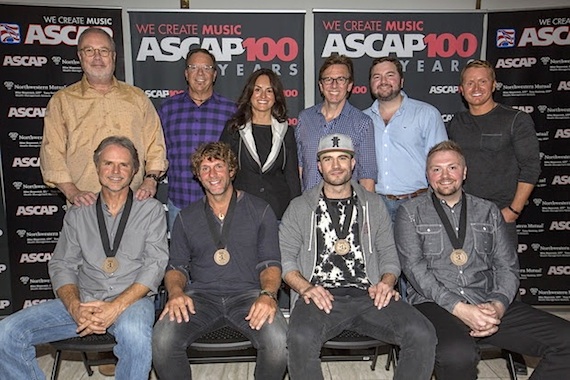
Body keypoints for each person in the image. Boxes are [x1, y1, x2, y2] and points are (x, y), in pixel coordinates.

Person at [394, 140, 570, 380]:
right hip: (435, 305)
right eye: (436, 169)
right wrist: (461, 309)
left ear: (464, 172)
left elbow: (507, 267)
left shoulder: (488, 211)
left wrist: (497, 305)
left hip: (486, 301)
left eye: (452, 167)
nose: (445, 175)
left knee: (566, 340)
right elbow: (414, 269)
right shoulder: (410, 212)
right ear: (428, 174)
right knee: (457, 355)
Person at [0, 136, 169, 380]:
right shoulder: (79, 212)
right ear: (97, 167)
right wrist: (75, 307)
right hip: (85, 301)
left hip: (132, 302)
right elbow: (62, 264)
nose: (115, 171)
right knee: (6, 332)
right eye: (108, 163)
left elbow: (155, 264)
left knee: (134, 333)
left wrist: (115, 307)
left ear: (134, 171)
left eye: (123, 165)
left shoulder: (150, 210)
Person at [280, 133, 436, 380]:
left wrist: (386, 282)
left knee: (422, 332)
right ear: (319, 166)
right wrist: (306, 288)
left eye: (343, 157)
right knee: (299, 338)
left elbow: (389, 254)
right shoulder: (300, 207)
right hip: (320, 295)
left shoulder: (373, 204)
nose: (336, 165)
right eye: (328, 159)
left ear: (353, 163)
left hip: (369, 293)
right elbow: (286, 260)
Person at [152, 142, 288, 380]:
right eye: (205, 168)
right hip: (201, 298)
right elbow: (177, 267)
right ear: (198, 175)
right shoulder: (186, 217)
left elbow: (271, 263)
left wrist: (267, 295)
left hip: (249, 296)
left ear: (232, 170)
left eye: (219, 166)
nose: (212, 174)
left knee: (279, 342)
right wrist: (175, 293)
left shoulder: (260, 210)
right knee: (162, 340)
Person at [40, 27, 167, 207]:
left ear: (113, 57)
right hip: (84, 204)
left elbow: (156, 144)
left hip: (134, 203)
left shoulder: (137, 98)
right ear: (80, 56)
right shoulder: (62, 101)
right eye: (89, 50)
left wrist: (151, 180)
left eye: (104, 51)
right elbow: (51, 152)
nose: (97, 57)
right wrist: (72, 192)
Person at [446, 59, 540, 248]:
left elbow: (531, 167)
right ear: (461, 89)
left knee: (503, 274)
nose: (476, 87)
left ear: (493, 84)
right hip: (462, 213)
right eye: (469, 83)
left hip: (500, 213)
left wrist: (514, 210)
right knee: (464, 273)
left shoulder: (515, 119)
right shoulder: (457, 122)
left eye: (482, 81)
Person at [159, 48, 236, 228]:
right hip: (180, 202)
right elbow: (156, 151)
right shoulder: (167, 109)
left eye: (207, 68)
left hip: (221, 204)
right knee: (181, 256)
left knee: (223, 256)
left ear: (214, 74)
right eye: (194, 67)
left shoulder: (232, 111)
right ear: (186, 73)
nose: (200, 73)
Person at [363, 56, 448, 220]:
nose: (383, 81)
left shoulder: (426, 114)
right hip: (377, 206)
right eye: (377, 77)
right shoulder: (362, 120)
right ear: (370, 83)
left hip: (417, 203)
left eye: (390, 75)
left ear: (401, 81)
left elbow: (441, 163)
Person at [220, 68, 301, 220]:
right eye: (257, 90)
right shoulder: (234, 129)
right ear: (250, 94)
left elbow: (292, 178)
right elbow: (222, 171)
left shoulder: (286, 131)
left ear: (275, 96)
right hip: (241, 212)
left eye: (269, 91)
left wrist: (296, 214)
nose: (263, 96)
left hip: (277, 213)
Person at [296, 54, 377, 192]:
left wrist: (365, 211)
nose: (334, 85)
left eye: (341, 79)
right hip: (309, 206)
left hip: (346, 208)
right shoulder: (305, 119)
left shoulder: (362, 123)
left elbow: (367, 177)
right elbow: (300, 167)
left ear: (349, 85)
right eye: (328, 79)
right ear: (321, 86)